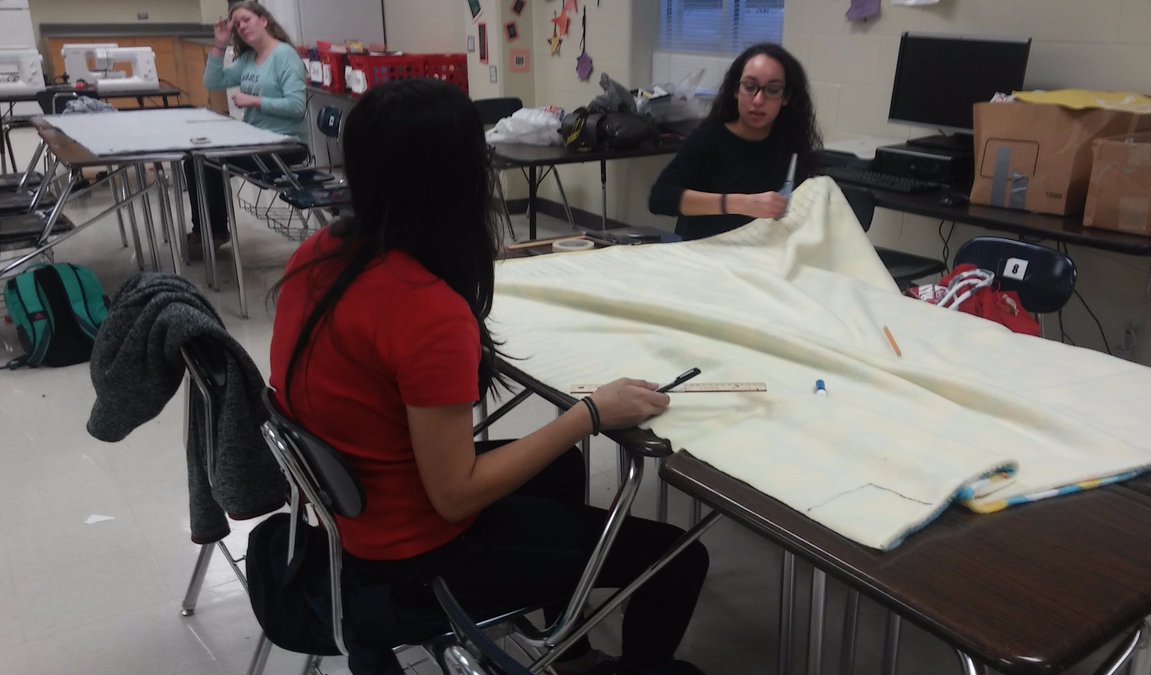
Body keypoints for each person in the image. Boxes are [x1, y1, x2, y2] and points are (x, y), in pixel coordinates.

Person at [268, 79, 709, 675]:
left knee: (563, 466)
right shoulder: (424, 308)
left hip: (357, 519)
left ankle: (566, 647)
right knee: (678, 557)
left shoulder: (319, 249)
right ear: (459, 180)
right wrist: (592, 413)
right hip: (417, 554)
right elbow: (454, 496)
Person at [648, 43, 822, 240]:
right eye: (749, 87)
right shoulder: (709, 139)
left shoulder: (791, 145)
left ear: (785, 97)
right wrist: (742, 204)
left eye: (772, 90)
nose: (758, 100)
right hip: (708, 254)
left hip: (764, 254)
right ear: (735, 90)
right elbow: (661, 198)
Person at [184, 0, 309, 260]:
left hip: (286, 146)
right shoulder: (249, 59)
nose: (241, 26)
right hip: (257, 141)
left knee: (210, 161)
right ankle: (208, 230)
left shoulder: (284, 56)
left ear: (264, 20)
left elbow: (297, 107)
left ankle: (214, 232)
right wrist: (220, 45)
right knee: (193, 157)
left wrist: (254, 101)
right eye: (237, 24)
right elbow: (213, 81)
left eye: (246, 19)